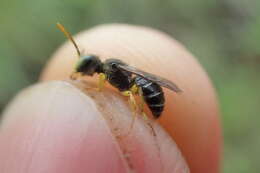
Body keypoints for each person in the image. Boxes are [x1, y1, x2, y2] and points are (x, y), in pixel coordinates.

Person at [0, 24, 221, 173]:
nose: (82, 71)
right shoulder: (104, 72)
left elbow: (129, 87)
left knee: (134, 91)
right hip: (137, 87)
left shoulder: (108, 71)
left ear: (92, 66)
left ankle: (141, 121)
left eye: (84, 68)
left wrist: (139, 120)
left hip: (148, 90)